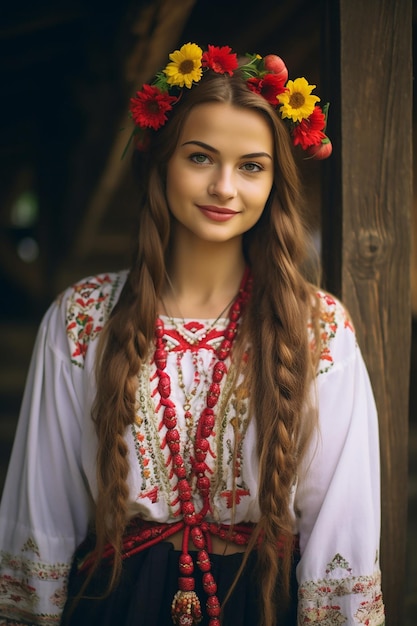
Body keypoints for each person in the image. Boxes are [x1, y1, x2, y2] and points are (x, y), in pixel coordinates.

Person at [0, 43, 384, 626]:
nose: (224, 187)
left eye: (251, 165)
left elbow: (342, 524)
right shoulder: (82, 317)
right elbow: (41, 510)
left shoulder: (318, 328)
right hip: (111, 603)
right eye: (201, 157)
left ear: (275, 181)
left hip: (261, 604)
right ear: (161, 162)